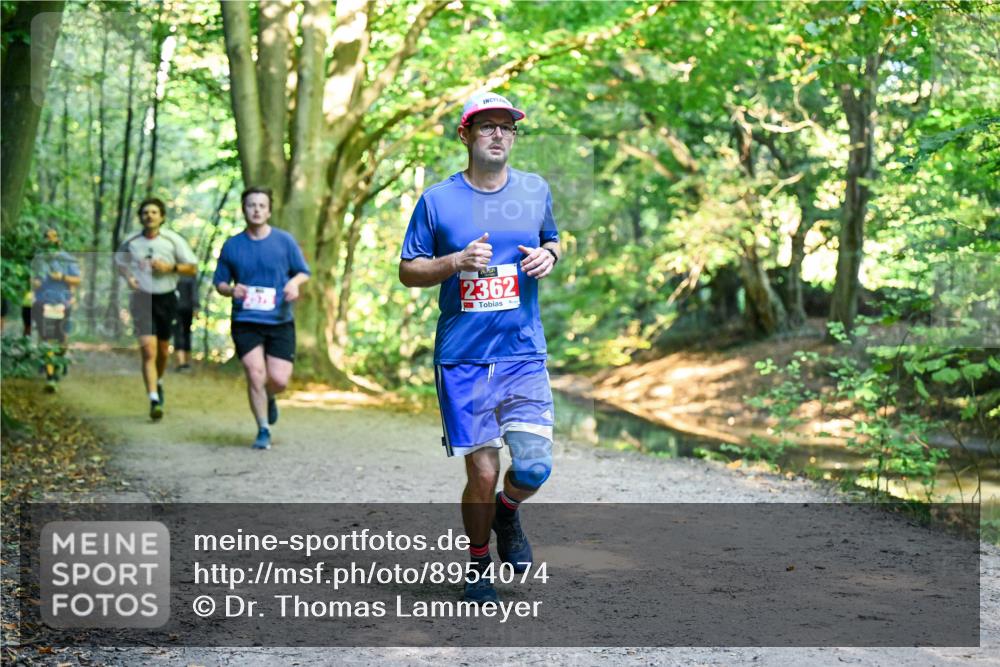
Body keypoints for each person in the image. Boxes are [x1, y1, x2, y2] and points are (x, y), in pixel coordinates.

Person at [399, 92, 561, 603]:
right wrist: (455, 261)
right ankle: (477, 564)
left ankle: (507, 513)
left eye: (506, 127)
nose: (498, 134)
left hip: (522, 353)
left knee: (532, 467)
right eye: (486, 126)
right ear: (465, 135)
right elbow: (408, 270)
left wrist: (550, 256)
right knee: (484, 472)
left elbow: (553, 239)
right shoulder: (437, 201)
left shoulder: (534, 190)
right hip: (463, 358)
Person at [213, 186, 310, 450]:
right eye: (251, 205)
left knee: (279, 380)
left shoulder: (284, 241)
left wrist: (293, 284)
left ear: (269, 211)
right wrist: (232, 290)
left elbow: (302, 272)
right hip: (246, 320)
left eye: (261, 206)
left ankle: (270, 396)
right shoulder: (232, 245)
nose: (256, 210)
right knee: (255, 373)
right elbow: (220, 282)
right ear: (243, 210)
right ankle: (263, 429)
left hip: (280, 320)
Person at [116, 198, 198, 420]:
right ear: (140, 217)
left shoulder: (172, 240)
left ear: (161, 217)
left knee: (162, 351)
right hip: (142, 298)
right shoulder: (131, 241)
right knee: (148, 350)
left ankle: (158, 381)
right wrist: (129, 278)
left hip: (167, 298)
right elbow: (119, 262)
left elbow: (192, 268)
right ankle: (153, 399)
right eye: (145, 212)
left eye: (154, 212)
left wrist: (170, 267)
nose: (149, 216)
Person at [30, 228, 82, 391]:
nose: (50, 240)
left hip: (62, 304)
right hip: (42, 303)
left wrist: (63, 277)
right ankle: (50, 376)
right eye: (47, 237)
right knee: (45, 337)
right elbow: (31, 278)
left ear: (58, 239)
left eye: (53, 237)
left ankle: (59, 362)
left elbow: (77, 280)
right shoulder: (39, 259)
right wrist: (34, 282)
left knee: (61, 339)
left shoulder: (67, 259)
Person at [174, 274, 199, 371]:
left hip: (178, 308)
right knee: (185, 333)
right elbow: (194, 292)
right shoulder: (190, 275)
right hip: (186, 308)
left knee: (179, 333)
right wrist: (196, 307)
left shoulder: (173, 273)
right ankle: (184, 362)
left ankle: (182, 362)